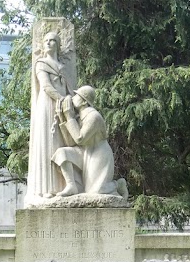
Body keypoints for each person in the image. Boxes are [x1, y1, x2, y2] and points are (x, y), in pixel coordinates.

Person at [26, 30, 76, 201]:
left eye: (52, 40)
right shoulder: (41, 63)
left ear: (58, 44)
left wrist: (71, 101)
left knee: (59, 145)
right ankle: (46, 189)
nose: (48, 43)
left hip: (63, 108)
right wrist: (62, 99)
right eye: (46, 40)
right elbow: (46, 86)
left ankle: (63, 186)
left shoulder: (62, 67)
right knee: (46, 145)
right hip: (47, 106)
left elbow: (70, 89)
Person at [51, 86, 126, 198]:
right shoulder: (79, 117)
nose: (72, 98)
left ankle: (118, 184)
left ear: (84, 101)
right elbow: (71, 142)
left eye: (76, 96)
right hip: (84, 151)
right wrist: (63, 118)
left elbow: (80, 138)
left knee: (96, 191)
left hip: (99, 154)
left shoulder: (94, 117)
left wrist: (69, 117)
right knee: (62, 153)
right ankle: (71, 186)